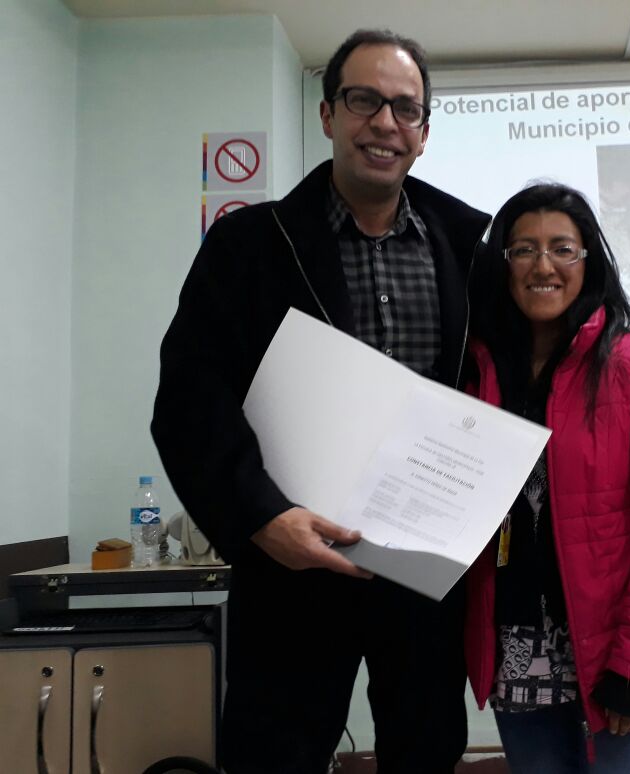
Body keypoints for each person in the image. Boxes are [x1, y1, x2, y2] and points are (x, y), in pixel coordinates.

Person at [152, 29, 489, 774]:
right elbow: (189, 400)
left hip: (424, 567)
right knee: (272, 756)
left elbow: (532, 367)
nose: (385, 122)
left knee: (427, 752)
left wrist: (626, 362)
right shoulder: (248, 246)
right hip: (293, 565)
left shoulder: (471, 249)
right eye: (364, 100)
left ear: (424, 133)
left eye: (405, 108)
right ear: (329, 113)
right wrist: (260, 519)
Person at [462, 183, 630, 774]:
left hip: (620, 652)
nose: (543, 265)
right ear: (503, 265)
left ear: (588, 261)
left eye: (562, 248)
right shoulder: (474, 371)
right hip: (517, 649)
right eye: (524, 249)